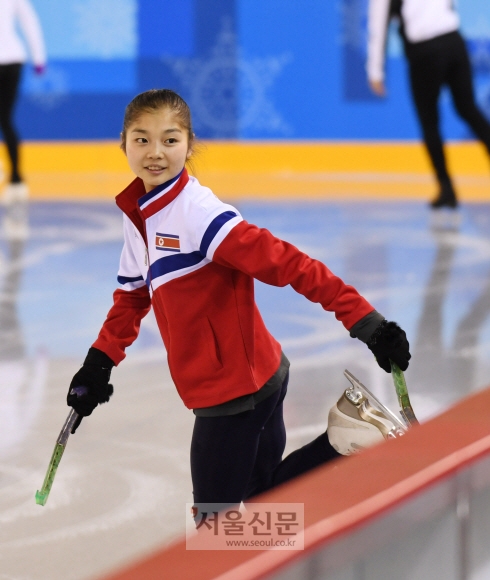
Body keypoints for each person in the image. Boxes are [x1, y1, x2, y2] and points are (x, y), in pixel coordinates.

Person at [66, 89, 411, 512]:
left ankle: (345, 443)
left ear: (190, 145)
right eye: (142, 139)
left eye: (170, 140)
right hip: (254, 376)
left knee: (217, 528)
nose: (155, 153)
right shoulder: (141, 212)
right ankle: (346, 439)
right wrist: (98, 362)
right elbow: (134, 295)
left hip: (235, 393)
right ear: (123, 142)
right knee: (264, 502)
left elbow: (290, 264)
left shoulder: (199, 215)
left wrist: (367, 323)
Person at [367, 0, 490, 209]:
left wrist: (375, 70)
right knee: (468, 109)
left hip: (425, 51)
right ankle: (446, 189)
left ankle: (446, 188)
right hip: (453, 41)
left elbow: (378, 25)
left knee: (430, 122)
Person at [0, 0, 46, 203]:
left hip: (10, 59)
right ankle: (16, 179)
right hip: (13, 59)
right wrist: (38, 58)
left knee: (5, 118)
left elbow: (29, 20)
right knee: (5, 118)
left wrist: (39, 58)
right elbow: (30, 21)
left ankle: (15, 177)